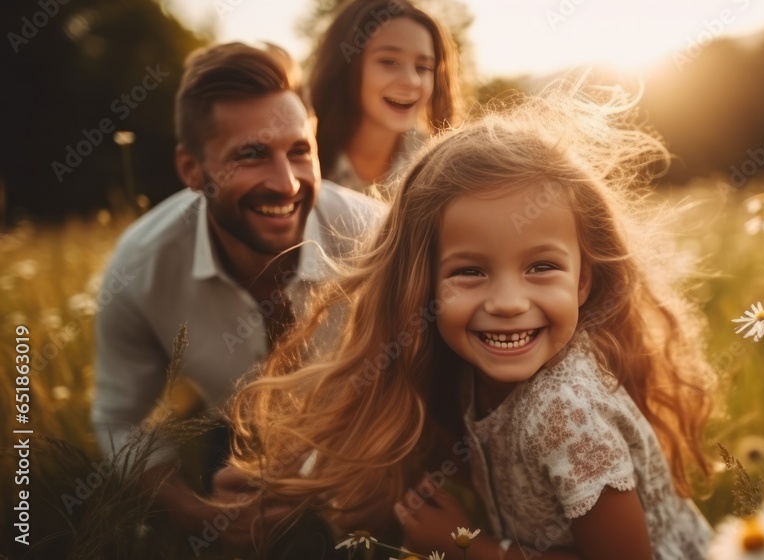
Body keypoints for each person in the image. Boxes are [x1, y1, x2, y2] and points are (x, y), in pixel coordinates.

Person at [227, 86, 715, 559]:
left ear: (582, 282)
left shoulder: (568, 414)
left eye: (541, 267)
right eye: (470, 272)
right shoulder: (465, 369)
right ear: (425, 286)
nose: (506, 302)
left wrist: (467, 548)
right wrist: (292, 481)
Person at [90, 41, 383, 550]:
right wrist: (199, 514)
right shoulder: (140, 269)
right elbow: (121, 420)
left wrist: (347, 483)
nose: (287, 183)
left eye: (299, 151)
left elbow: (431, 389)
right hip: (237, 443)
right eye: (251, 154)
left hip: (368, 441)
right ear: (192, 171)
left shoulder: (378, 239)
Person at [309, 0, 462, 192]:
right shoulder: (299, 154)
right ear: (346, 66)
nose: (412, 81)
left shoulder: (439, 170)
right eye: (389, 62)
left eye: (423, 67)